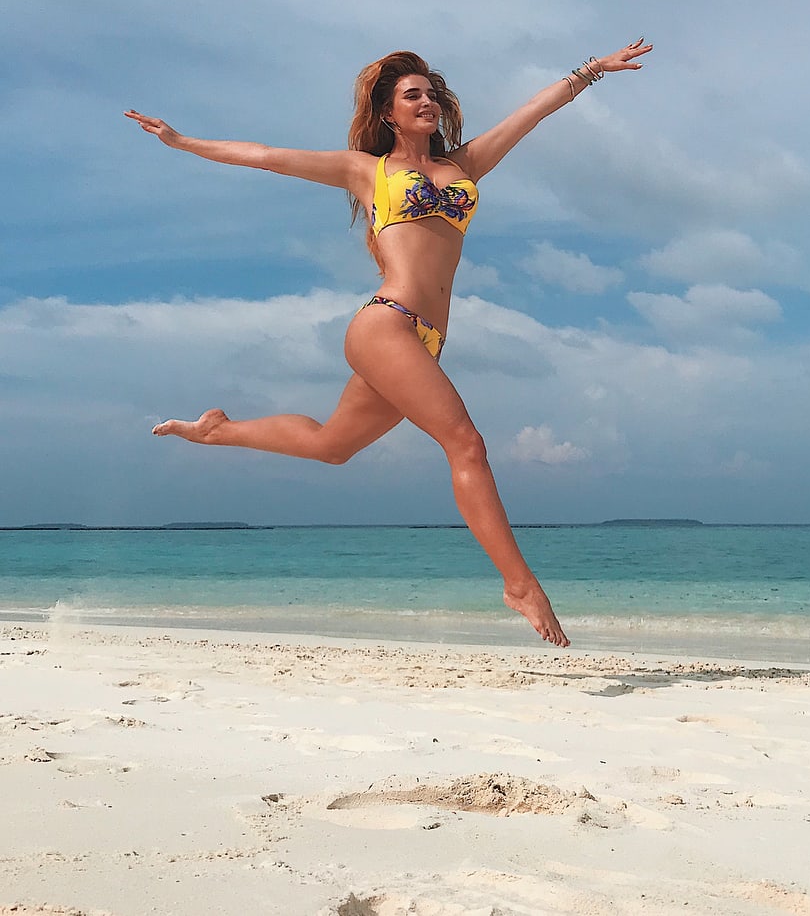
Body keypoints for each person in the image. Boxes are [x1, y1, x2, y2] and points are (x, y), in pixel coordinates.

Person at [125, 37, 652, 647]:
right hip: (387, 321)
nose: (427, 101)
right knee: (467, 443)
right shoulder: (366, 170)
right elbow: (265, 155)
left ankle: (216, 429)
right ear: (388, 113)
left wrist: (593, 70)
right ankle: (519, 584)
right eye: (412, 94)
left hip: (425, 340)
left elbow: (531, 113)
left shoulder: (465, 165)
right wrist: (181, 140)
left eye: (432, 92)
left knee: (332, 445)